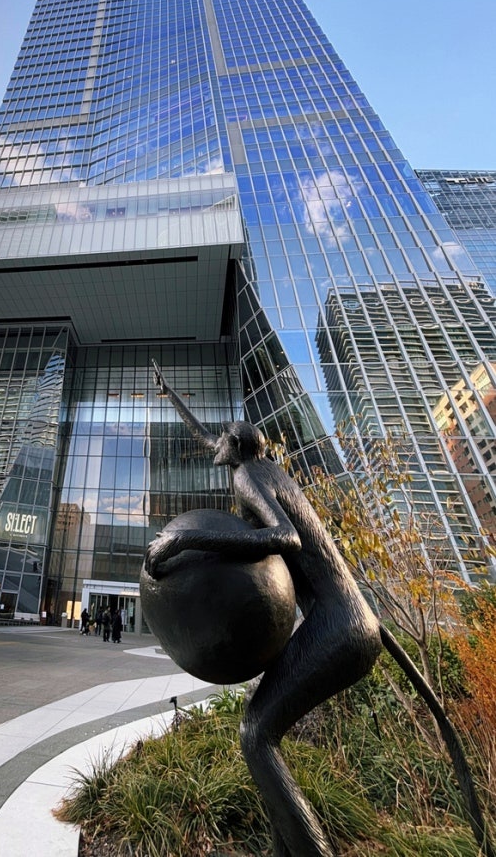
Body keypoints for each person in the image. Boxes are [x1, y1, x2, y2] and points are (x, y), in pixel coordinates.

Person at [146, 361, 382, 857]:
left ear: (234, 448)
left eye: (222, 440)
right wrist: (171, 395)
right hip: (353, 620)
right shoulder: (264, 468)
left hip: (339, 625)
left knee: (256, 737)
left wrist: (185, 541)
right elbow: (205, 434)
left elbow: (286, 537)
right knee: (263, 736)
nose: (214, 444)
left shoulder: (248, 477)